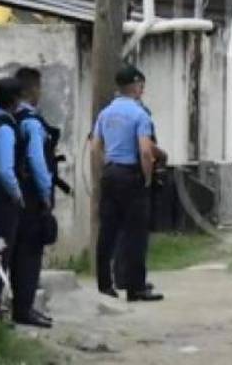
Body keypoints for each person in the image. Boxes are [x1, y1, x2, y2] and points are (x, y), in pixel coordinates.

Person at [0, 77, 51, 327]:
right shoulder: (5, 127)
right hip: (0, 199)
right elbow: (5, 170)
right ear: (16, 100)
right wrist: (18, 196)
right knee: (0, 254)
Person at [93, 66, 164, 302]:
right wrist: (146, 177)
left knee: (108, 232)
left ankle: (105, 284)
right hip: (131, 175)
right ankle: (135, 287)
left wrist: (105, 168)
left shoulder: (105, 113)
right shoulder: (139, 114)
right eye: (141, 86)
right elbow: (145, 150)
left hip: (110, 173)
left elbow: (95, 147)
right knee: (135, 233)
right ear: (135, 86)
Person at [10, 68, 55, 328]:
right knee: (29, 254)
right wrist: (46, 193)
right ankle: (24, 308)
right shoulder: (31, 122)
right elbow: (38, 161)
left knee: (13, 253)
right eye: (39, 88)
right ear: (31, 90)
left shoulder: (6, 118)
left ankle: (14, 305)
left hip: (11, 196)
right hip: (31, 196)